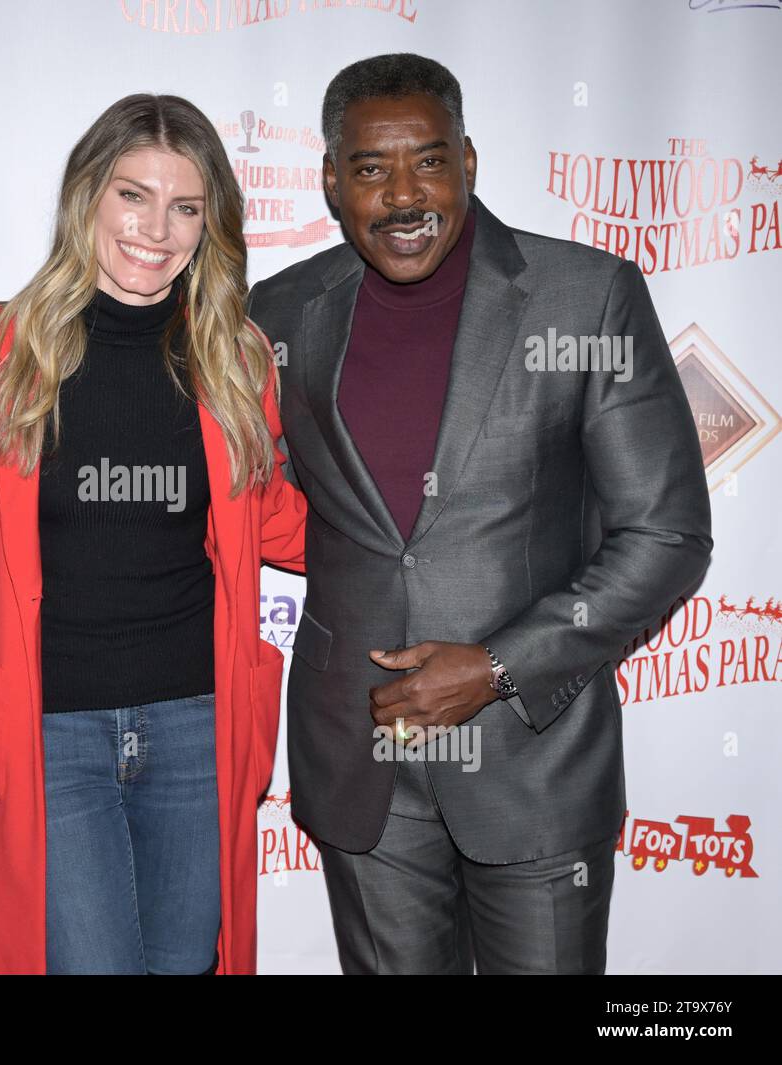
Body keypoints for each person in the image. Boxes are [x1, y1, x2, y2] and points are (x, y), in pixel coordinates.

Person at [247, 53, 712, 974]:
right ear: (333, 181)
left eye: (429, 160)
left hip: (533, 764)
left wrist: (498, 666)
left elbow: (666, 534)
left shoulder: (588, 295)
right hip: (362, 765)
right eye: (372, 169)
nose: (404, 194)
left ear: (470, 160)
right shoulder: (282, 310)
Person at [0, 93, 306, 975]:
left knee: (185, 964)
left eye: (186, 207)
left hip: (196, 721)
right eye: (133, 196)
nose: (157, 229)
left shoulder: (237, 360)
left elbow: (282, 521)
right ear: (86, 199)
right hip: (49, 728)